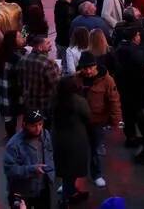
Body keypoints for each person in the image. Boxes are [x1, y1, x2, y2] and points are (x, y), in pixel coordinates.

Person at [74, 50, 122, 188]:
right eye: (85, 68)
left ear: (95, 66)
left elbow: (114, 101)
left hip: (97, 121)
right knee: (77, 150)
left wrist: (116, 121)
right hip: (79, 121)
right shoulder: (76, 79)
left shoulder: (107, 80)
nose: (88, 71)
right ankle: (73, 178)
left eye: (90, 67)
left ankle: (97, 175)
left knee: (96, 150)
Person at [51, 77, 91, 206]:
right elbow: (87, 116)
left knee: (64, 169)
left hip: (58, 139)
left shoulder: (54, 100)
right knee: (72, 170)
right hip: (75, 141)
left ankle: (70, 190)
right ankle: (66, 198)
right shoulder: (79, 101)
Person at [3, 110, 55, 209]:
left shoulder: (46, 135)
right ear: (24, 125)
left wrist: (50, 173)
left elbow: (49, 154)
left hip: (42, 189)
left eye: (40, 124)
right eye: (33, 125)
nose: (38, 129)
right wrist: (32, 169)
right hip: (22, 192)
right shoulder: (14, 144)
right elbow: (9, 169)